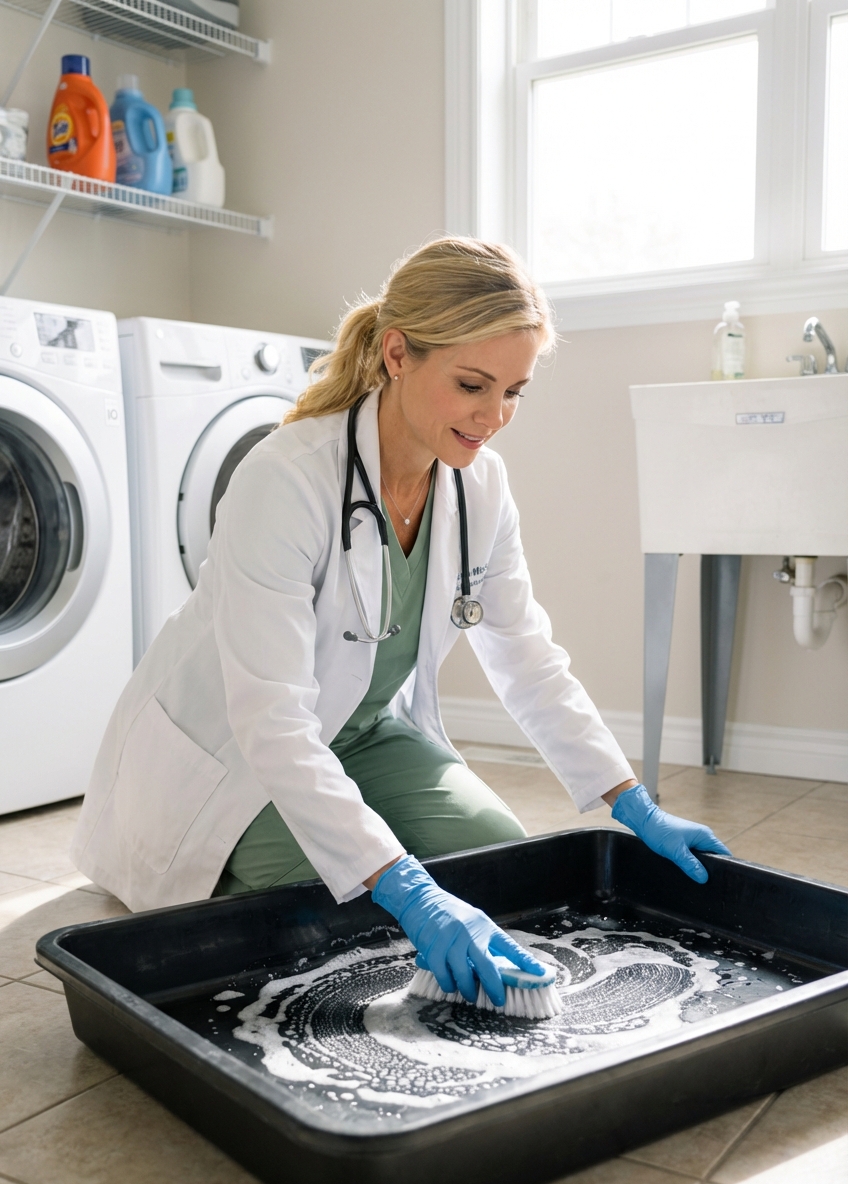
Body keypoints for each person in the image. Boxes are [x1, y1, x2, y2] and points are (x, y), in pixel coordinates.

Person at [71, 237, 729, 1007]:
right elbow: (274, 723)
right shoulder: (285, 479)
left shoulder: (478, 485)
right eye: (473, 385)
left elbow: (525, 654)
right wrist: (410, 889)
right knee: (341, 910)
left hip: (362, 732)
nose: (494, 417)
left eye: (515, 392)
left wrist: (631, 801)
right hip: (234, 758)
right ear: (396, 354)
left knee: (498, 861)